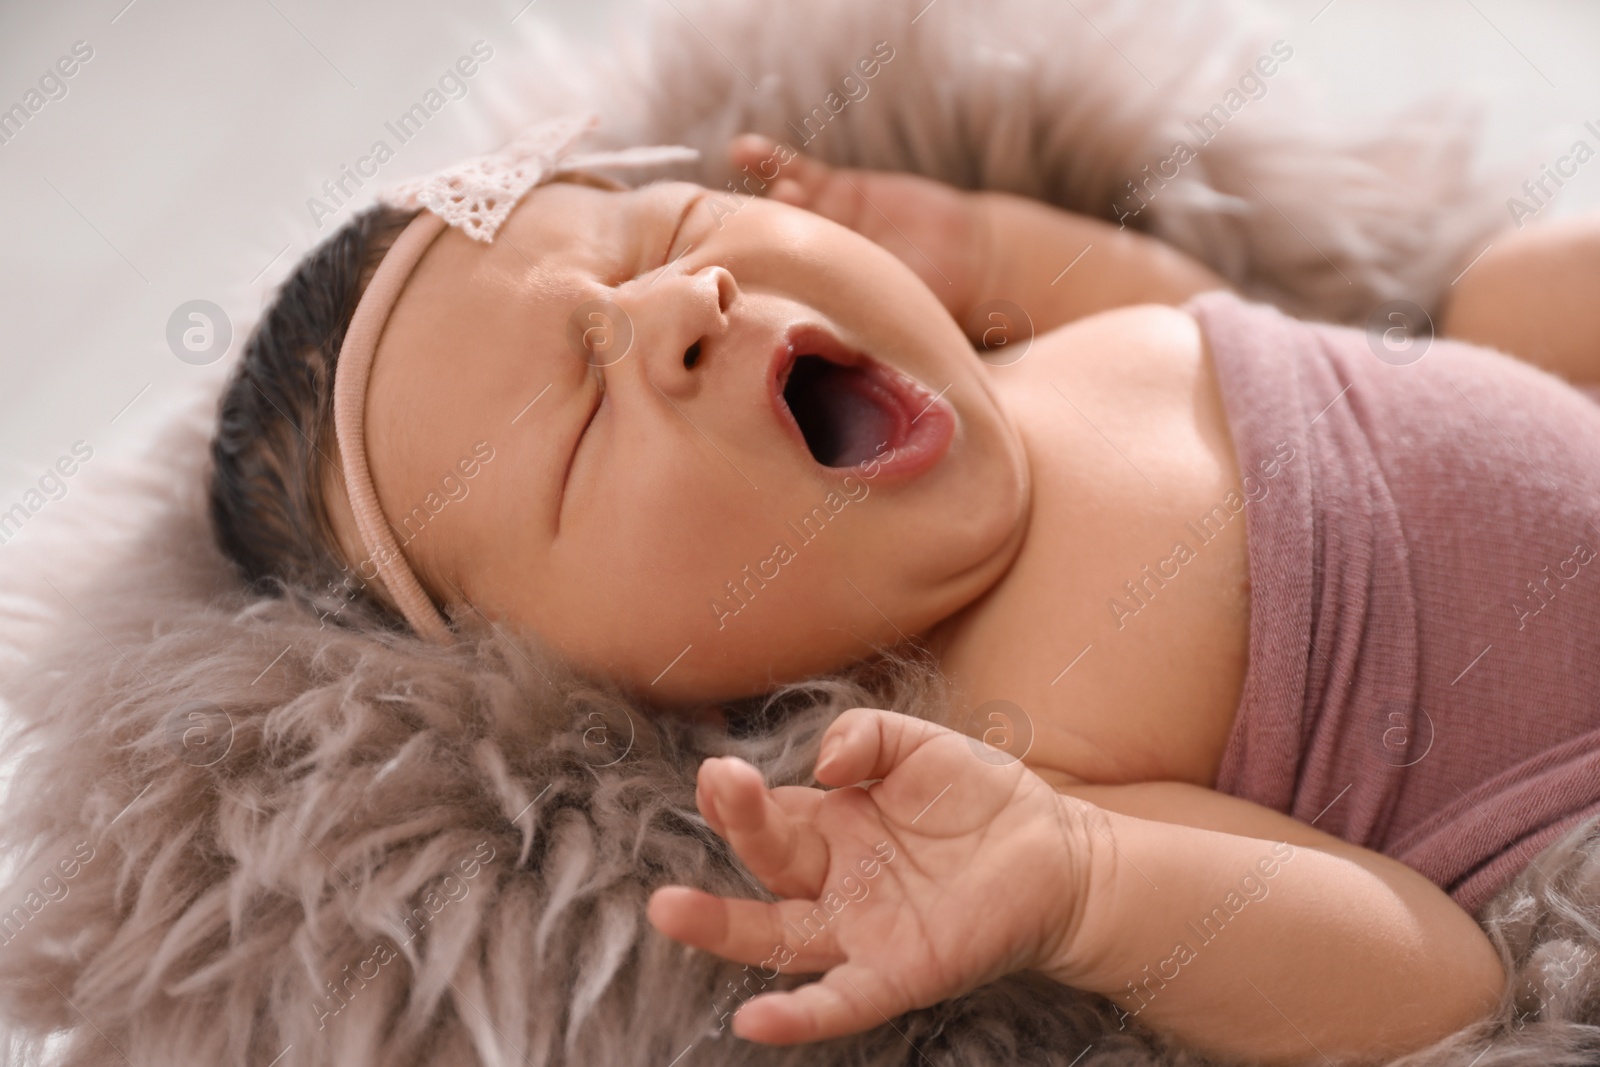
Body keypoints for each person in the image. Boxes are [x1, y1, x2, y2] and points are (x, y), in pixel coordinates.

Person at [208, 118, 1600, 1064]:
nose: (685, 304)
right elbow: (1448, 984)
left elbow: (1201, 312)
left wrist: (985, 246)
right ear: (584, 675)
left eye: (665, 231)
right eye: (575, 429)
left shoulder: (1030, 354)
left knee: (1509, 296)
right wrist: (1090, 882)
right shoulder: (998, 749)